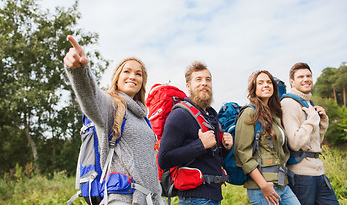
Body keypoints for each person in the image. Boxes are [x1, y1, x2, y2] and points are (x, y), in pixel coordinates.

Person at [64, 35, 164, 205]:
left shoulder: (143, 117)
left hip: (151, 200)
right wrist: (79, 71)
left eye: (138, 74)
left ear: (142, 81)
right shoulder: (111, 105)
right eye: (127, 71)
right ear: (117, 77)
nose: (133, 76)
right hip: (123, 199)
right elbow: (90, 97)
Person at [158, 61, 233, 205]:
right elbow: (164, 159)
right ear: (188, 86)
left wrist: (226, 147)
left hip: (214, 195)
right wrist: (201, 145)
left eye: (208, 80)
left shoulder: (211, 116)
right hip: (194, 198)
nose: (204, 83)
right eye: (198, 80)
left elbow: (213, 159)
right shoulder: (180, 114)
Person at [234, 70, 300, 205]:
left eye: (269, 82)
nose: (266, 85)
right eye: (261, 83)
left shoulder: (274, 115)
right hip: (261, 188)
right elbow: (243, 153)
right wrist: (263, 185)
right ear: (254, 88)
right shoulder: (249, 113)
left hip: (282, 184)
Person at [281, 62, 339, 205]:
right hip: (302, 175)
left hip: (319, 171)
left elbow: (315, 143)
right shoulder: (289, 104)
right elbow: (294, 143)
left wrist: (322, 121)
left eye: (308, 76)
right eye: (301, 77)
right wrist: (313, 118)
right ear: (292, 82)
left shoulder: (308, 103)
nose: (306, 79)